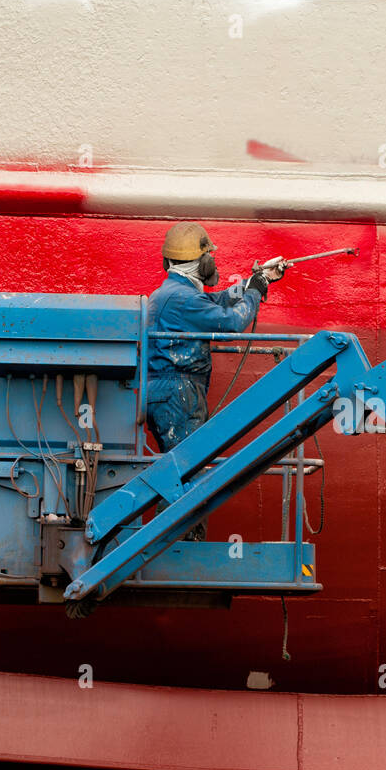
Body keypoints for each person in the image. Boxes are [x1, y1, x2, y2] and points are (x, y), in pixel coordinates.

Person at [145, 222, 283, 540]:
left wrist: (256, 281)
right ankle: (179, 549)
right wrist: (252, 294)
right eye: (211, 258)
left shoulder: (171, 294)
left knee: (178, 471)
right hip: (179, 393)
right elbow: (232, 321)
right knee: (188, 474)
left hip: (165, 391)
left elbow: (216, 301)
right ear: (204, 262)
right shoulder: (183, 300)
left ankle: (168, 544)